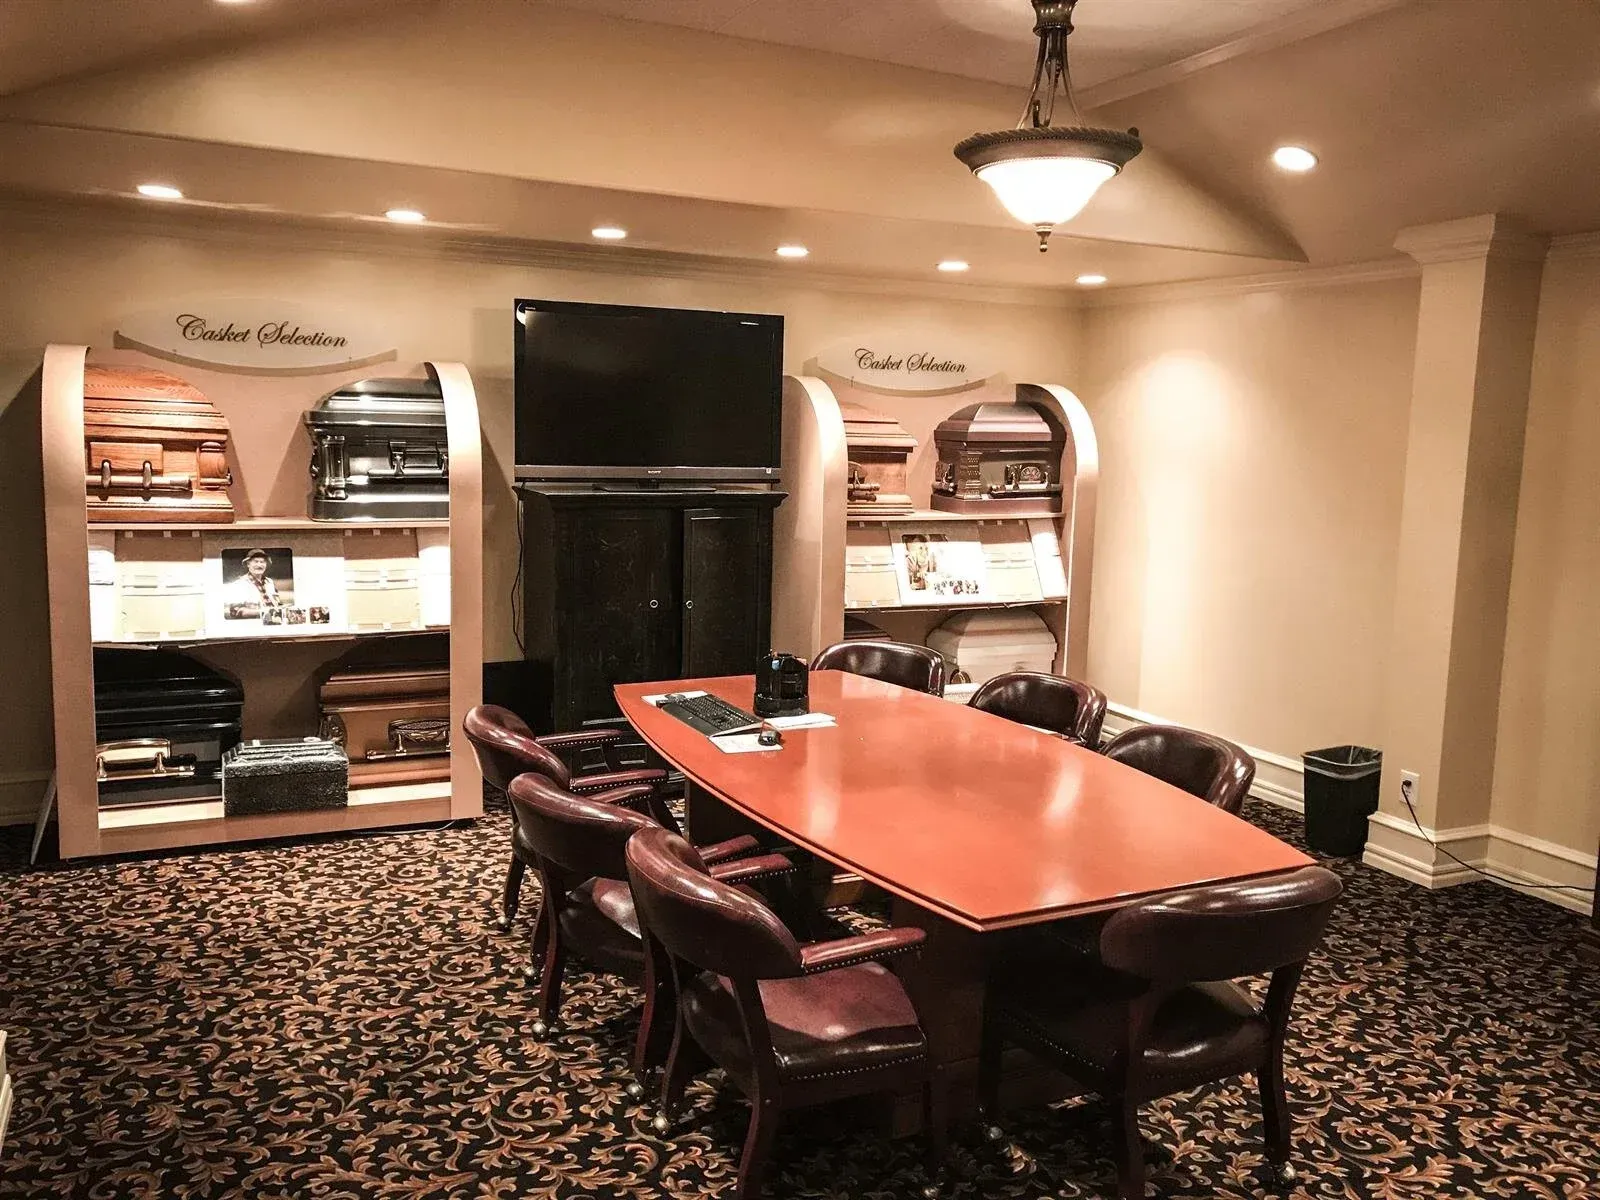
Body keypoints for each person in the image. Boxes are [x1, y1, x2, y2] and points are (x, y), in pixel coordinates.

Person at [224, 548, 282, 618]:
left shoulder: (270, 582)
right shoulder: (239, 584)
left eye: (262, 562)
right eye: (256, 561)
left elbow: (278, 604)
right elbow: (235, 612)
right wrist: (263, 612)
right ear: (248, 564)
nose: (259, 565)